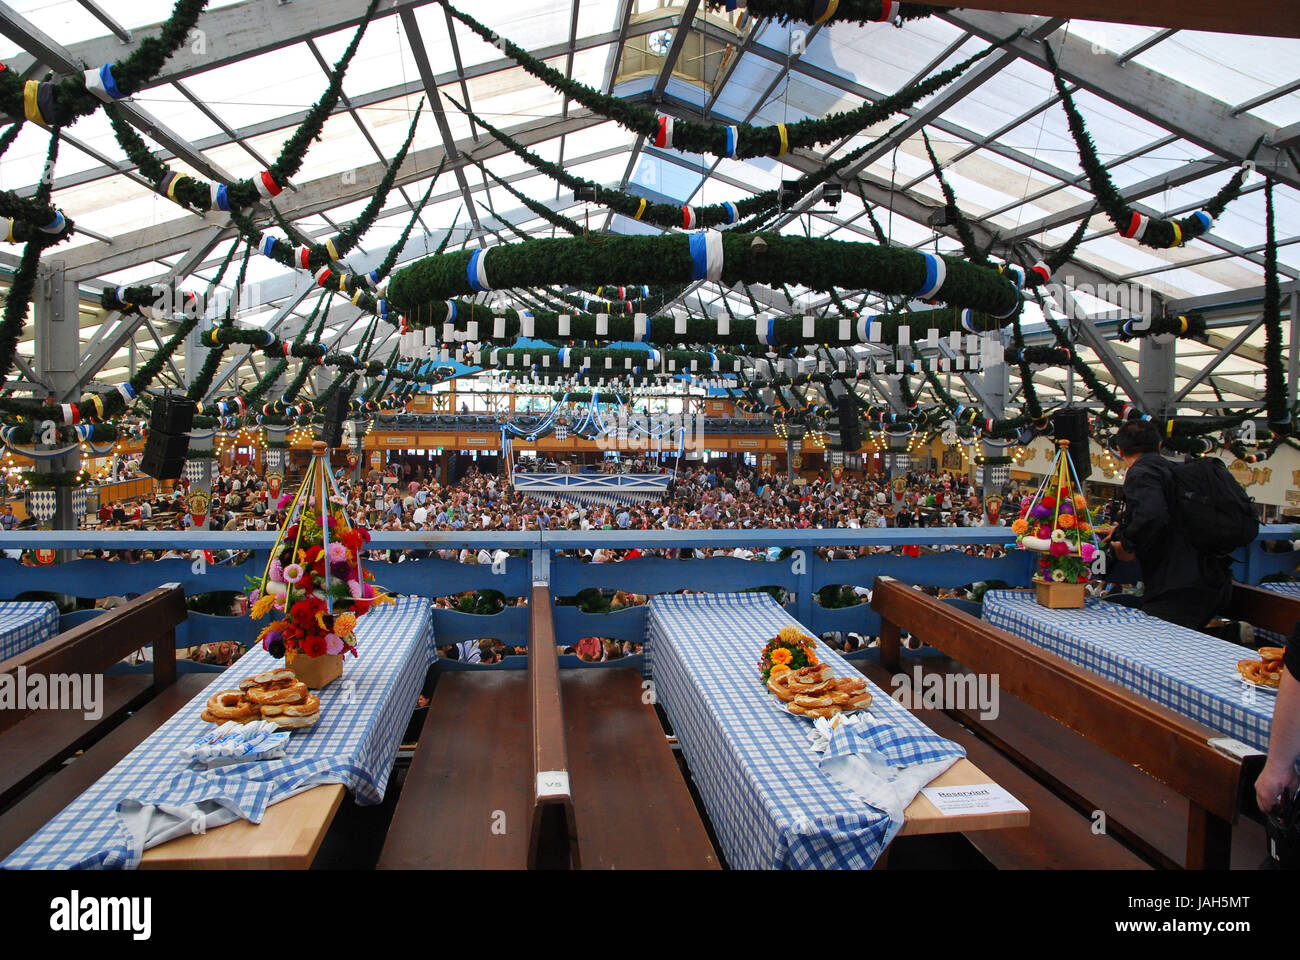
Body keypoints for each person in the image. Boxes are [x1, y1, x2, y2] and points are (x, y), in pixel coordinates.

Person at [1102, 421, 1252, 644]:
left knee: (1155, 648)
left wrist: (1127, 546)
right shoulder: (1174, 472)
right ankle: (1231, 635)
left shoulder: (1142, 472)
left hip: (1177, 587)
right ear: (1160, 447)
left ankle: (1229, 637)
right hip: (1210, 579)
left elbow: (1152, 515)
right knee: (1173, 645)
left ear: (1120, 451)